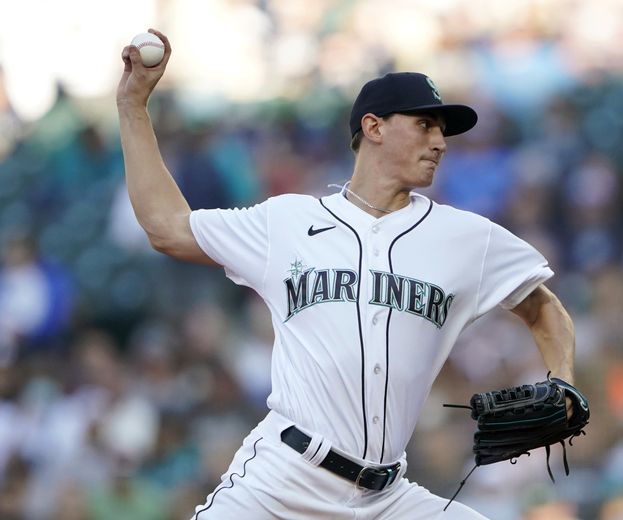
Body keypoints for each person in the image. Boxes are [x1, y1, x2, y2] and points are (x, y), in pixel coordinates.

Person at [117, 29, 577, 519]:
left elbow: (543, 307)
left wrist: (564, 381)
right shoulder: (287, 222)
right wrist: (133, 108)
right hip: (282, 482)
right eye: (425, 125)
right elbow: (166, 227)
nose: (441, 141)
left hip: (388, 496)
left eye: (443, 130)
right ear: (374, 127)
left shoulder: (467, 237)